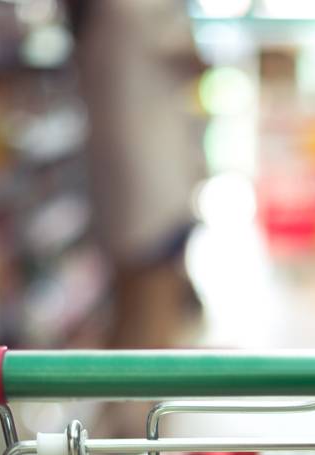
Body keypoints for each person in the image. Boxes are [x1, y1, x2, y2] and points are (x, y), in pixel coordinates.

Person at [67, 0, 205, 349]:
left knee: (130, 294)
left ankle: (123, 397)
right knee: (153, 298)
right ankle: (138, 401)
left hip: (121, 167)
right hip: (149, 173)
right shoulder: (138, 9)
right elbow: (192, 55)